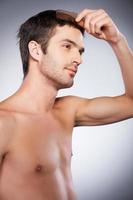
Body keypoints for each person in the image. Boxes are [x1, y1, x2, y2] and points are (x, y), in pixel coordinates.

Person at [0, 8, 132, 200]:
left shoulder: (67, 111)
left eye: (80, 51)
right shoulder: (3, 123)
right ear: (36, 51)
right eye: (67, 46)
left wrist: (117, 40)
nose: (78, 59)